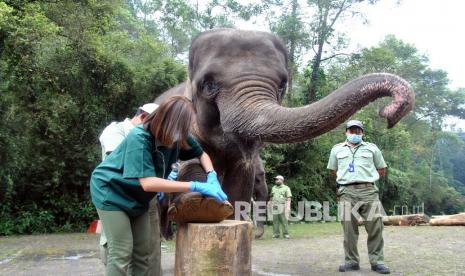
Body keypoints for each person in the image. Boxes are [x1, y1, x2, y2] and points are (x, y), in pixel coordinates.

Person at [90, 96, 227, 276]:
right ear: (170, 121)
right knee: (121, 251)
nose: (185, 132)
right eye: (184, 126)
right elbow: (148, 183)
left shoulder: (179, 137)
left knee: (142, 253)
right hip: (112, 192)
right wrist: (195, 186)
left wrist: (211, 176)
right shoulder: (139, 137)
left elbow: (202, 154)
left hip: (138, 197)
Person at [98, 103, 163, 275]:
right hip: (119, 198)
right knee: (121, 251)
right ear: (143, 118)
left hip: (146, 199)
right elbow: (124, 166)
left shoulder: (149, 137)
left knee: (148, 251)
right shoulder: (115, 131)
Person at [327, 120, 390, 274]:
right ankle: (351, 261)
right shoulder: (336, 150)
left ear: (362, 133)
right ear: (346, 132)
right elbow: (333, 171)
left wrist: (366, 180)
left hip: (369, 191)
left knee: (375, 227)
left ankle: (377, 262)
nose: (355, 133)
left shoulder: (372, 149)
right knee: (349, 229)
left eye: (358, 131)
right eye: (352, 130)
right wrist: (347, 182)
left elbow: (381, 169)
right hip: (347, 192)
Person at [270, 175, 292, 239]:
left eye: (277, 179)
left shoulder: (286, 188)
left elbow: (289, 198)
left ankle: (286, 234)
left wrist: (288, 206)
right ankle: (276, 234)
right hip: (275, 206)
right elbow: (271, 196)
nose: (276, 181)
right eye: (275, 180)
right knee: (275, 221)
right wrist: (269, 203)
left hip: (283, 205)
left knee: (284, 220)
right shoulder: (273, 188)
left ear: (282, 180)